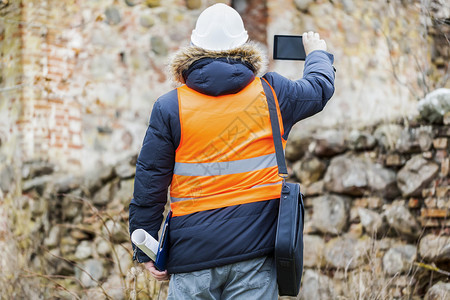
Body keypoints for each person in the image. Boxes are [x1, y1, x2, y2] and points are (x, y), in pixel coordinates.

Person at [129, 3, 335, 299]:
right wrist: (317, 53)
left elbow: (150, 181)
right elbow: (319, 88)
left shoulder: (170, 106)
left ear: (193, 44)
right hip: (255, 254)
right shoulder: (272, 93)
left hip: (191, 257)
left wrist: (145, 248)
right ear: (243, 45)